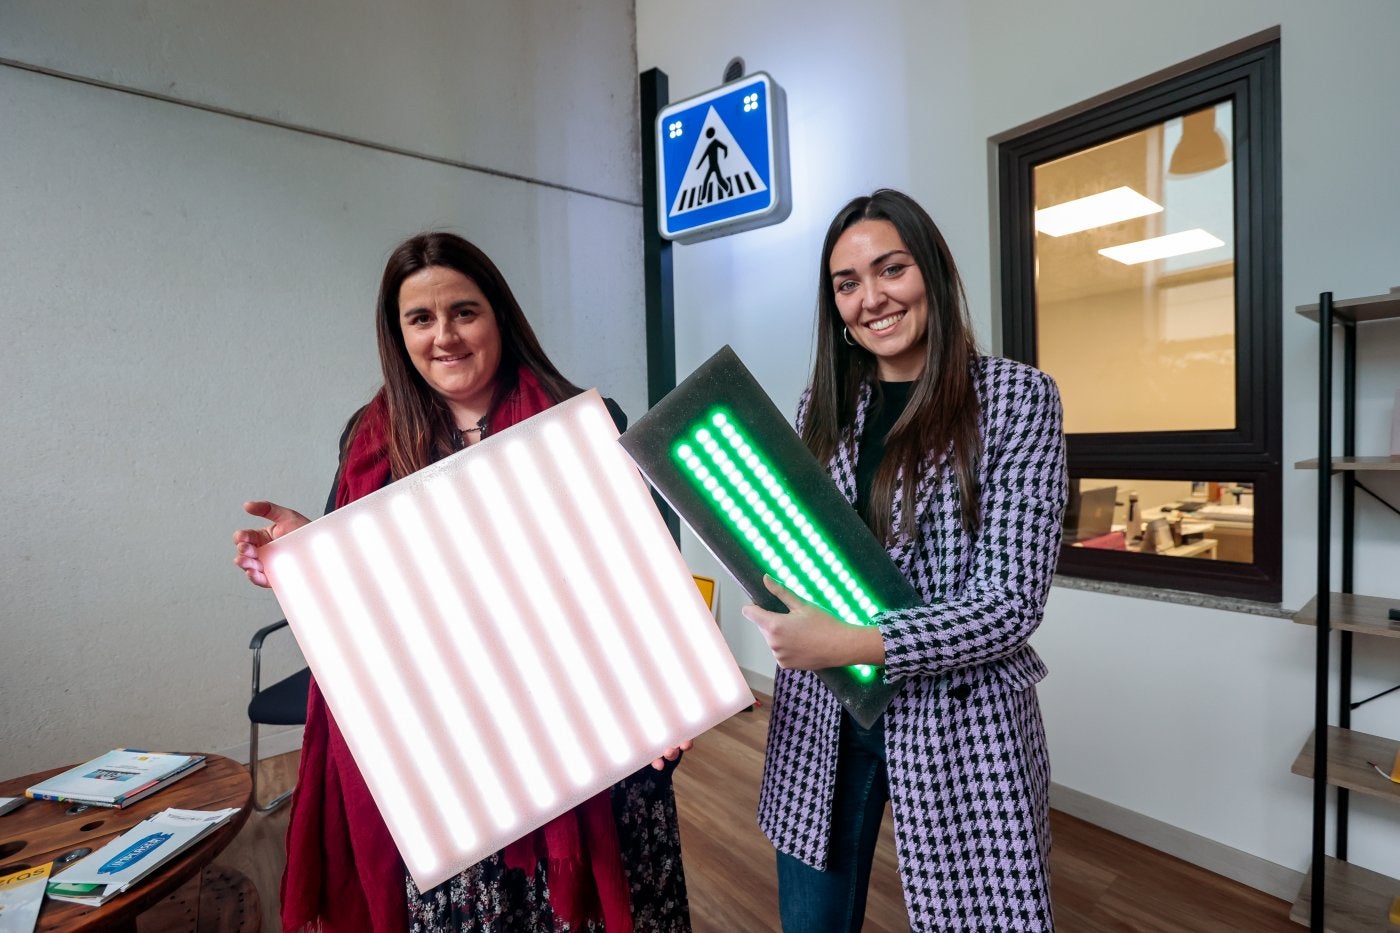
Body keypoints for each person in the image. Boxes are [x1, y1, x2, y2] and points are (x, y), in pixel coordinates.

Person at [233, 232, 692, 933]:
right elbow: (358, 599)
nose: (443, 335)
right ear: (398, 334)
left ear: (499, 316)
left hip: (581, 728)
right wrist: (306, 554)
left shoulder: (585, 420)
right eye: (420, 318)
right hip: (451, 748)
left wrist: (668, 697)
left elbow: (644, 581)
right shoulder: (370, 438)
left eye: (463, 312)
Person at [741, 189, 1066, 932]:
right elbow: (780, 554)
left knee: (979, 916)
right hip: (825, 719)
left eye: (891, 269)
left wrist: (856, 642)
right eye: (847, 283)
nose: (871, 298)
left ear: (935, 273)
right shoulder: (819, 408)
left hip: (960, 721)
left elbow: (1011, 601)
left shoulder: (1016, 399)